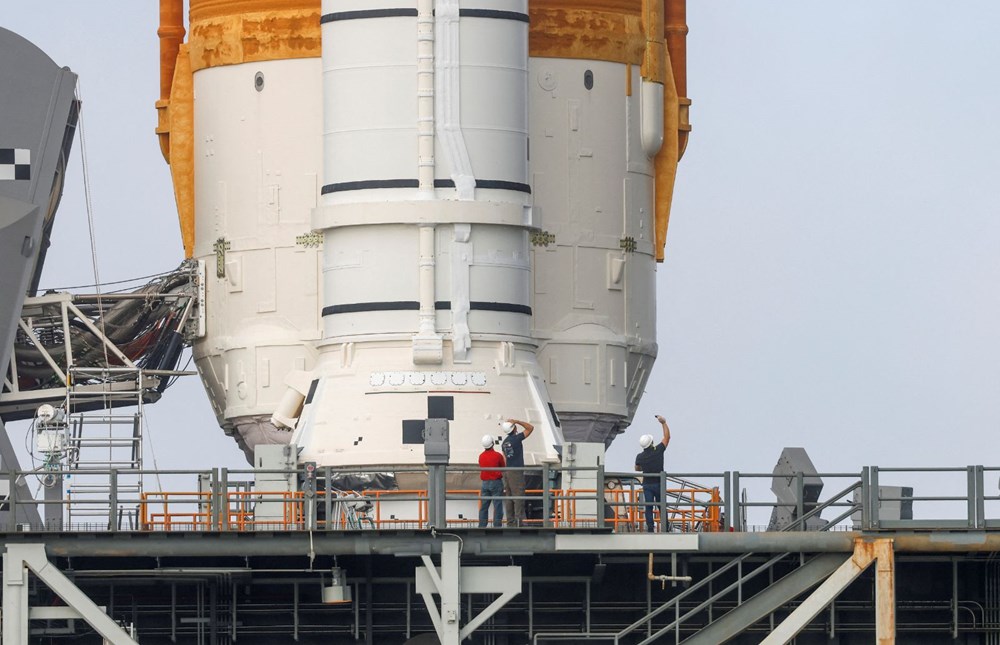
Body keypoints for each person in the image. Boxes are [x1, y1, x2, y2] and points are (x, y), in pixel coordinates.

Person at [635, 415, 671, 532]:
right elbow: (667, 437)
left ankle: (650, 528)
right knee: (662, 505)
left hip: (647, 484)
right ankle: (665, 527)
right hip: (659, 483)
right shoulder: (659, 450)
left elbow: (637, 468)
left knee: (648, 507)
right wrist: (663, 423)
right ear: (651, 442)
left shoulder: (640, 457)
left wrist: (645, 467)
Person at [500, 418, 534, 527]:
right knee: (518, 495)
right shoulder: (516, 439)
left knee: (509, 497)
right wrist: (517, 421)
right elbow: (530, 428)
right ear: (513, 428)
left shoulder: (504, 442)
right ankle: (520, 521)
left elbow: (505, 459)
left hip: (507, 471)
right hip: (516, 471)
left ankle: (510, 521)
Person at [478, 434, 505, 527]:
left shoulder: (481, 456)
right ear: (492, 443)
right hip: (496, 482)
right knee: (497, 506)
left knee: (484, 506)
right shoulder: (498, 455)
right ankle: (497, 526)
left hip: (485, 483)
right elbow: (503, 467)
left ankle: (482, 525)